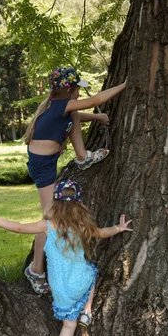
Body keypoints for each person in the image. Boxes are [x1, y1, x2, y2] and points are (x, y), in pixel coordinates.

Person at [0, 179, 132, 336]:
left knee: (68, 326)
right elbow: (102, 233)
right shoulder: (81, 226)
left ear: (55, 203)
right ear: (79, 205)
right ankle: (87, 310)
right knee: (91, 272)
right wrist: (118, 228)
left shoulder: (47, 226)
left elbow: (18, 227)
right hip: (79, 282)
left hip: (59, 289)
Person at [23, 66, 126, 295]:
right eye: (78, 89)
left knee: (75, 116)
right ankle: (35, 269)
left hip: (45, 161)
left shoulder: (61, 107)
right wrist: (125, 85)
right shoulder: (61, 106)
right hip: (43, 168)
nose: (80, 93)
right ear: (69, 90)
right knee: (49, 219)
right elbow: (96, 99)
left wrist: (97, 117)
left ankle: (82, 157)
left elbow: (78, 114)